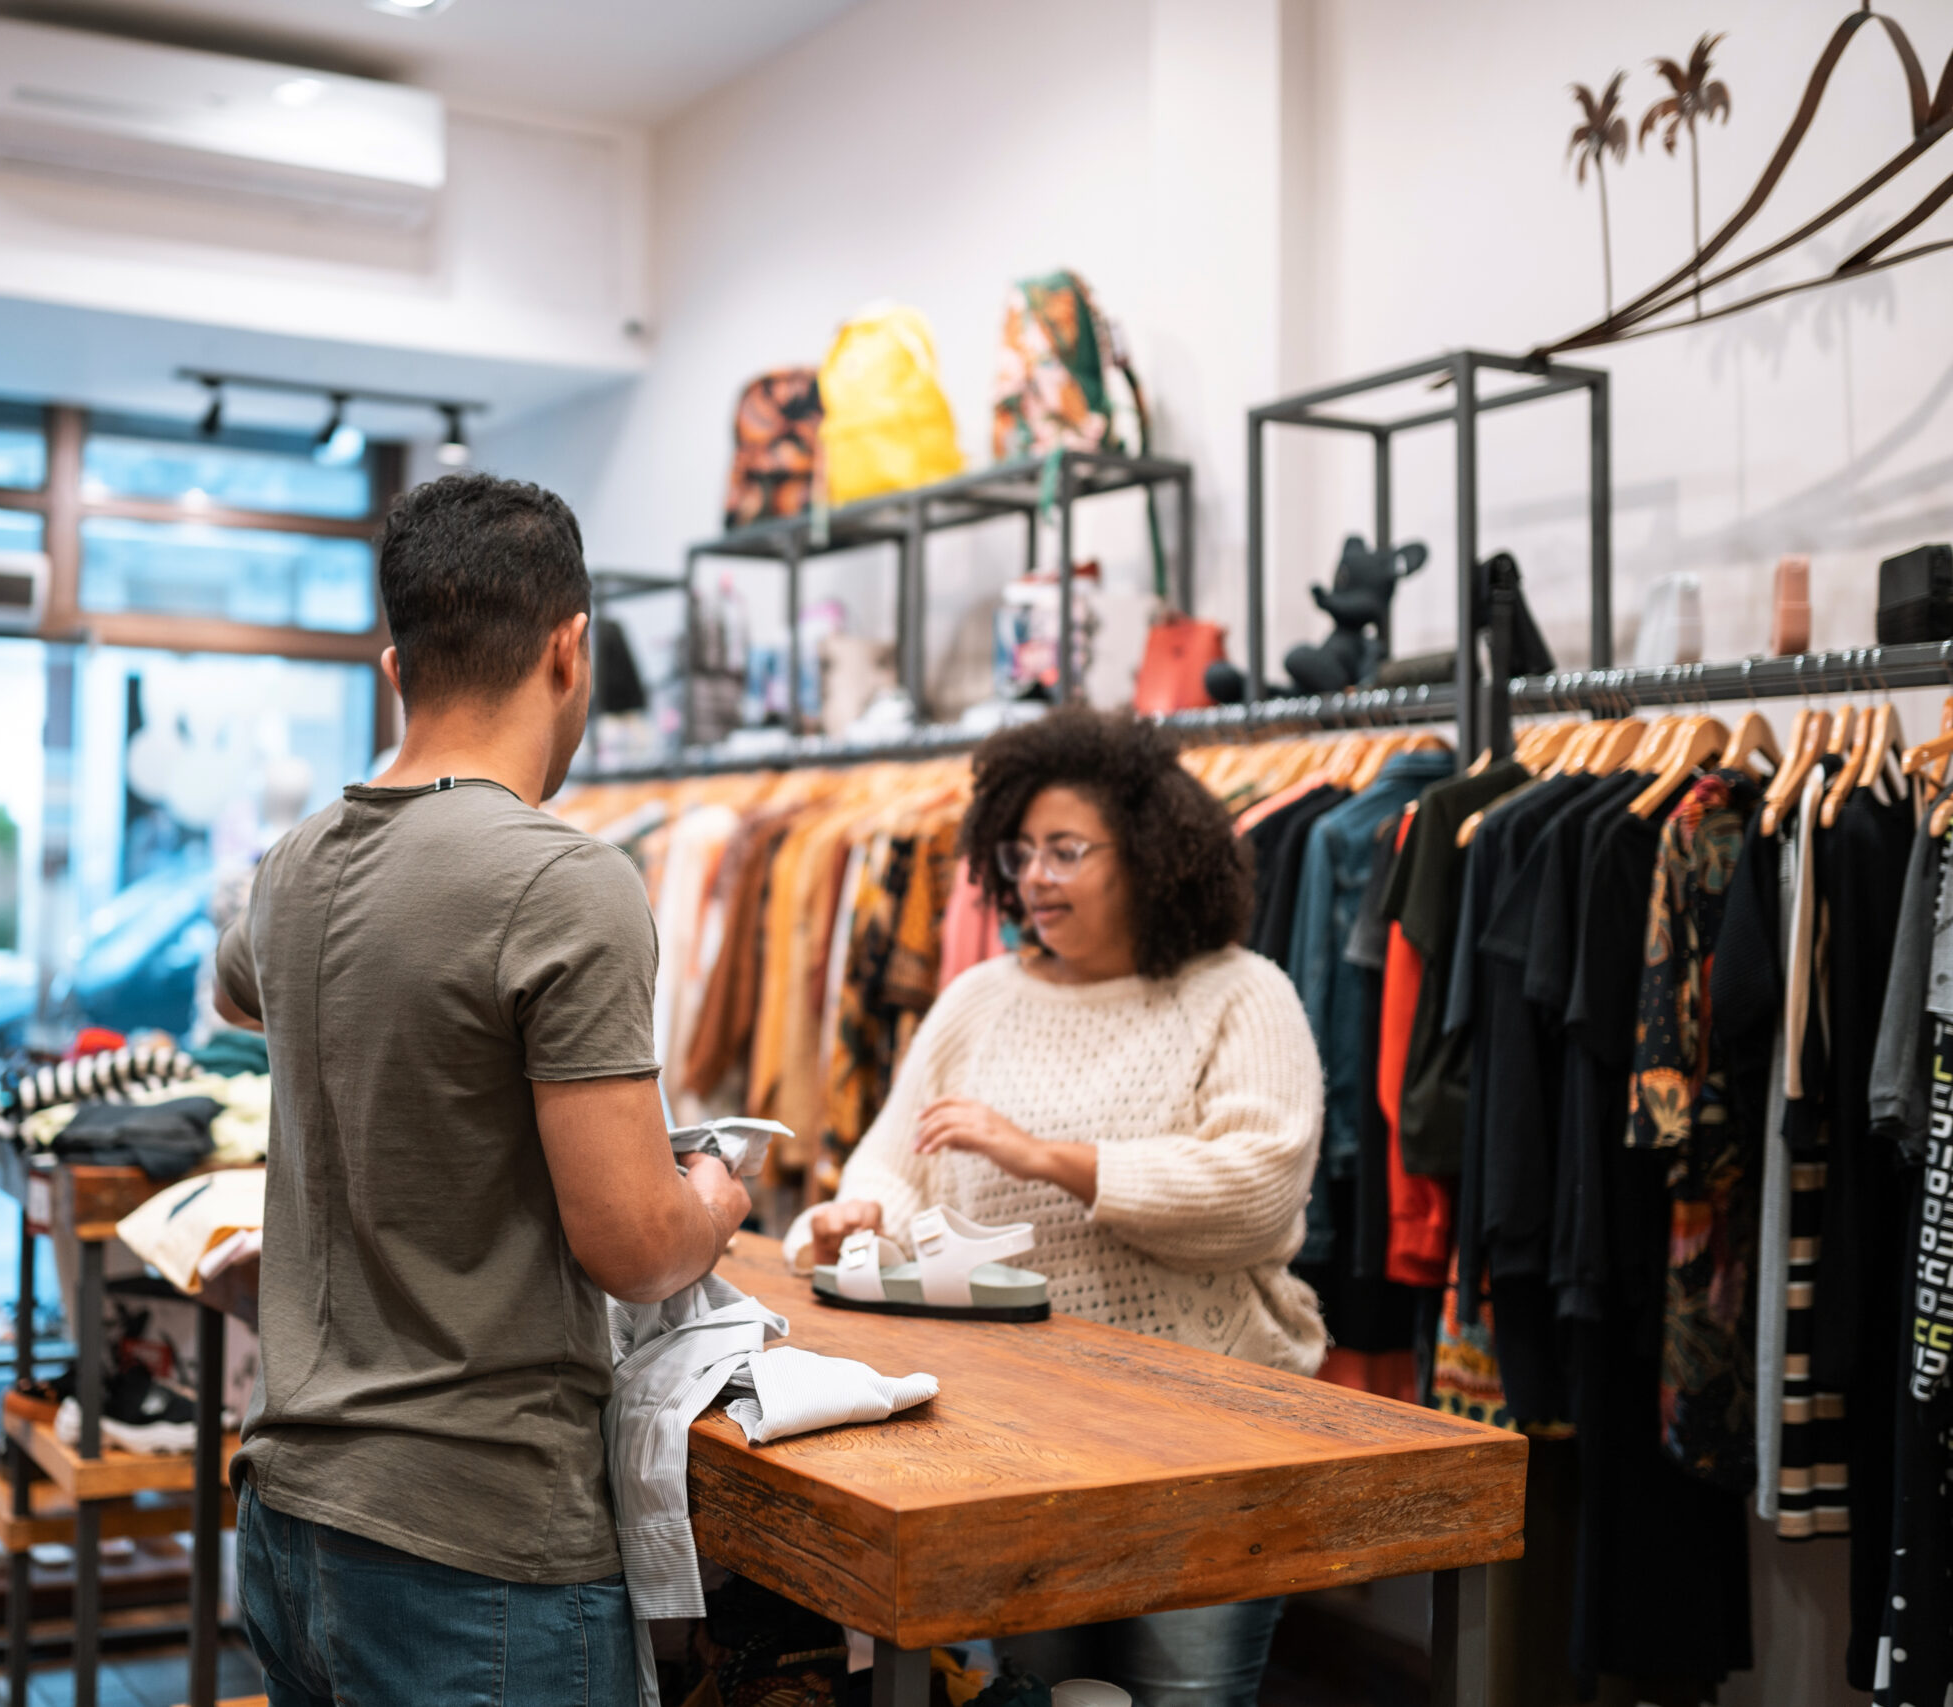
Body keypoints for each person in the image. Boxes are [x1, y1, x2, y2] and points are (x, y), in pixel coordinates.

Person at [212, 472, 753, 1707]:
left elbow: (244, 990)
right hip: (477, 1547)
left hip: (292, 1520)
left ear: (396, 667)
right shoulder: (564, 880)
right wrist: (713, 1194)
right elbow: (630, 1244)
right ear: (571, 651)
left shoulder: (294, 863)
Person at [783, 707, 1325, 1707]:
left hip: (1206, 1445)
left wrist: (1052, 1159)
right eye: (1020, 851)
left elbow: (1255, 1189)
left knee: (1184, 1697)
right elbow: (897, 1161)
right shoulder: (980, 1000)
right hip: (1012, 1440)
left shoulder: (1241, 995)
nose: (1034, 877)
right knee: (1035, 1694)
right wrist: (860, 1213)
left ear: (1152, 857)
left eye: (1066, 851)